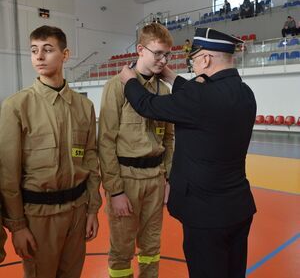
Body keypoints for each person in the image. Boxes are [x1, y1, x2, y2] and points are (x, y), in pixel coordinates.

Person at [119, 27, 257, 278]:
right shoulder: (245, 93)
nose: (193, 65)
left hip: (206, 216)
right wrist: (170, 76)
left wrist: (128, 79)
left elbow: (146, 104)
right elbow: (199, 96)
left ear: (205, 59)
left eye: (193, 60)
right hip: (238, 208)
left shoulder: (200, 96)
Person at [0, 25, 101, 278]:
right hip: (38, 218)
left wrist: (92, 210)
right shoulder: (16, 106)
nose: (39, 57)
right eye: (34, 51)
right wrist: (18, 226)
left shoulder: (84, 106)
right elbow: (8, 174)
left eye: (47, 49)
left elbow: (90, 160)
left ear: (65, 55)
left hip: (77, 213)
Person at [98, 22, 174, 278]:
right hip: (126, 180)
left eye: (167, 55)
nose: (163, 60)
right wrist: (115, 190)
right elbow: (105, 142)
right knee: (121, 249)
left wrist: (167, 178)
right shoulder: (116, 87)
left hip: (155, 178)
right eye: (158, 53)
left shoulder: (164, 91)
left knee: (152, 246)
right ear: (141, 50)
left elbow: (170, 140)